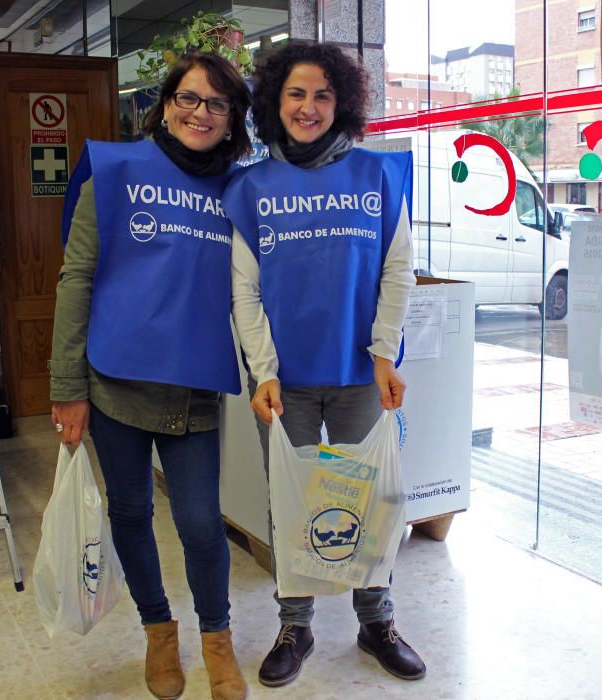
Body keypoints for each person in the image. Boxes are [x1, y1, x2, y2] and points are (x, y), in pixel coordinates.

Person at [222, 42, 426, 688]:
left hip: (361, 377)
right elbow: (244, 291)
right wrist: (263, 372)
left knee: (374, 499)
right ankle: (296, 624)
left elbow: (398, 270)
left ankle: (377, 623)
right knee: (292, 502)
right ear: (273, 102)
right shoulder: (250, 187)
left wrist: (384, 352)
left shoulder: (377, 176)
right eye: (295, 94)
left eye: (322, 95)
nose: (308, 108)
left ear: (343, 103)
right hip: (286, 383)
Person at [49, 51, 251, 700]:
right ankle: (159, 631)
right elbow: (75, 279)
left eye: (217, 104)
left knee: (199, 523)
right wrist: (66, 387)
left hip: (192, 386)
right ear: (164, 105)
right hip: (114, 380)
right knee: (131, 511)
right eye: (189, 99)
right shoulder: (112, 172)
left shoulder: (240, 190)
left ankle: (217, 640)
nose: (201, 113)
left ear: (231, 119)